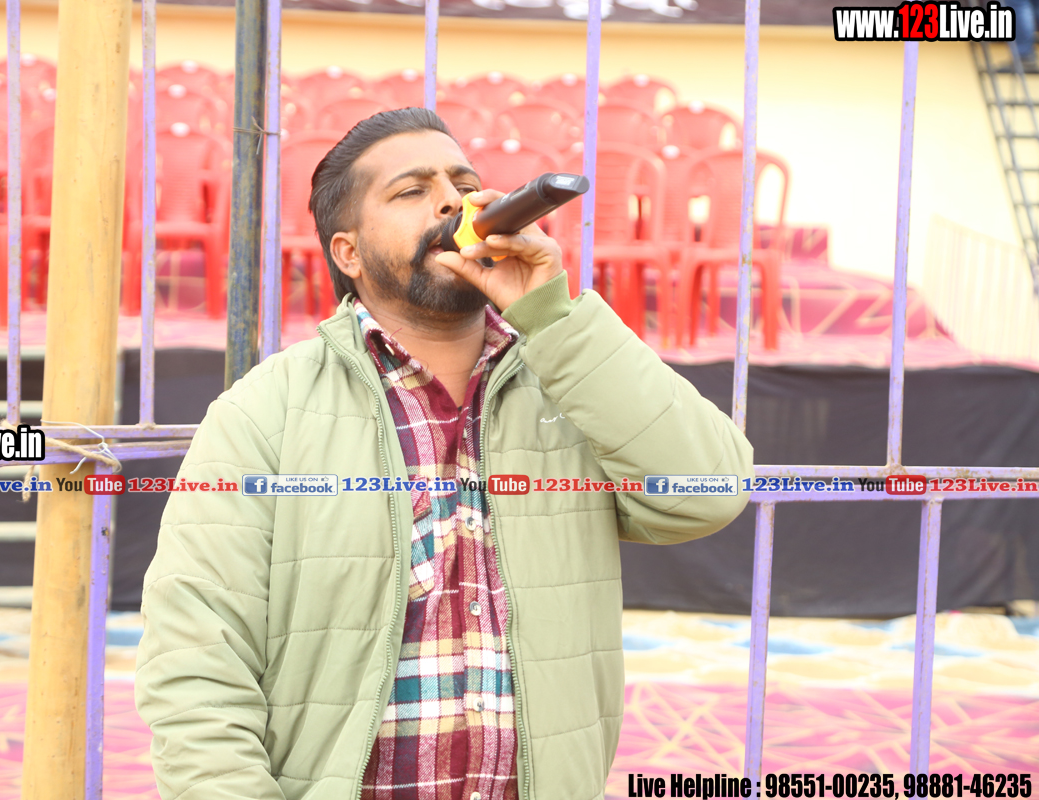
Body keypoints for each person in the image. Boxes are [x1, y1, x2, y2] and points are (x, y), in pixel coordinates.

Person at [135, 108, 754, 800]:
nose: (453, 203)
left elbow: (708, 494)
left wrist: (551, 317)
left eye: (464, 184)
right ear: (348, 253)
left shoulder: (574, 383)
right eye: (412, 190)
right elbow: (196, 659)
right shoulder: (264, 412)